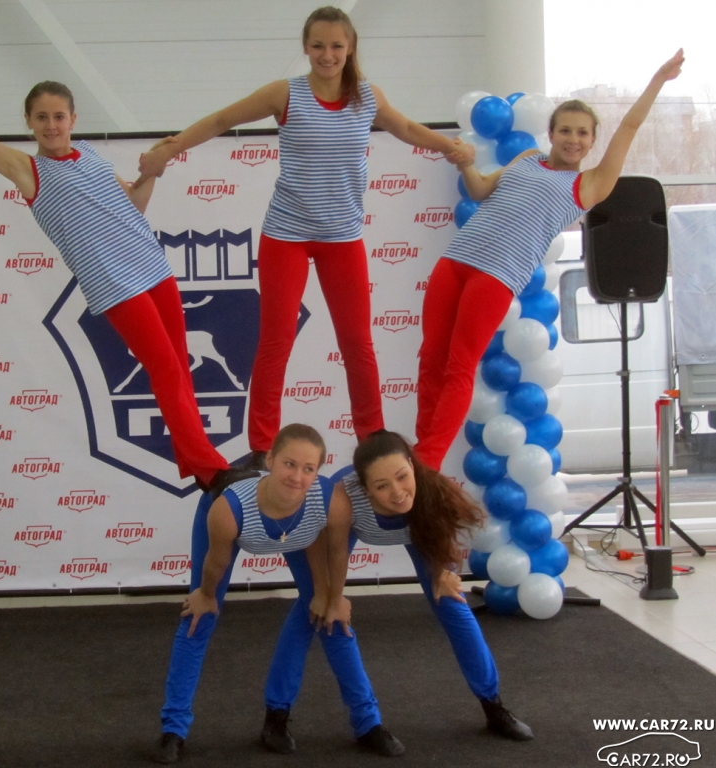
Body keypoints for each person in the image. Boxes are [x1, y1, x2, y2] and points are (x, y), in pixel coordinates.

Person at [137, 6, 470, 470]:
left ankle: (372, 439)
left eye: (336, 46)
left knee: (358, 344)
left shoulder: (367, 97)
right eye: (317, 46)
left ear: (350, 47)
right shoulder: (286, 93)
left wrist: (450, 148)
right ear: (305, 47)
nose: (327, 55)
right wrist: (169, 150)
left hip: (342, 239)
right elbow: (219, 120)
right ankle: (262, 446)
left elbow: (409, 129)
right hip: (287, 236)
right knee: (276, 343)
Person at [0, 31, 253, 494]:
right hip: (114, 285)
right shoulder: (26, 170)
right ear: (28, 122)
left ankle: (200, 462)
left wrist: (151, 174)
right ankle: (212, 470)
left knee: (178, 370)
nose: (52, 125)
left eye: (59, 116)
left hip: (153, 268)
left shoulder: (89, 154)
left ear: (73, 119)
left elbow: (133, 207)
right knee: (166, 368)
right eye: (42, 117)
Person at [414, 50, 685, 471]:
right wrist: (467, 165)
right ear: (552, 133)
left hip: (496, 276)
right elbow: (482, 191)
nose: (573, 139)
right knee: (431, 358)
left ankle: (426, 464)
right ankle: (416, 451)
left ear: (592, 141)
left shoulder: (589, 184)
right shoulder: (527, 159)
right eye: (565, 130)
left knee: (459, 366)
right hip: (456, 260)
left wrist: (657, 80)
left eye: (582, 133)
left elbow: (630, 127)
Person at [265, 429, 533, 746]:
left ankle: (493, 705)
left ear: (411, 465)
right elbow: (334, 553)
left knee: (452, 603)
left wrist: (443, 572)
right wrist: (331, 596)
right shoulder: (342, 498)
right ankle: (331, 720)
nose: (397, 493)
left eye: (402, 476)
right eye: (382, 486)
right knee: (321, 610)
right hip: (325, 537)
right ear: (365, 489)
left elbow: (441, 539)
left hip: (415, 530)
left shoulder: (430, 490)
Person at [155, 424, 403, 764]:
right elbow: (216, 562)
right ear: (270, 460)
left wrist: (331, 597)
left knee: (331, 618)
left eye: (308, 468)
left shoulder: (329, 499)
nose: (297, 476)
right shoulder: (228, 509)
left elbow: (333, 551)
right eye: (289, 464)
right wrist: (206, 595)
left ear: (318, 471)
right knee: (198, 617)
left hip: (297, 534)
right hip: (237, 527)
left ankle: (367, 722)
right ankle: (173, 729)